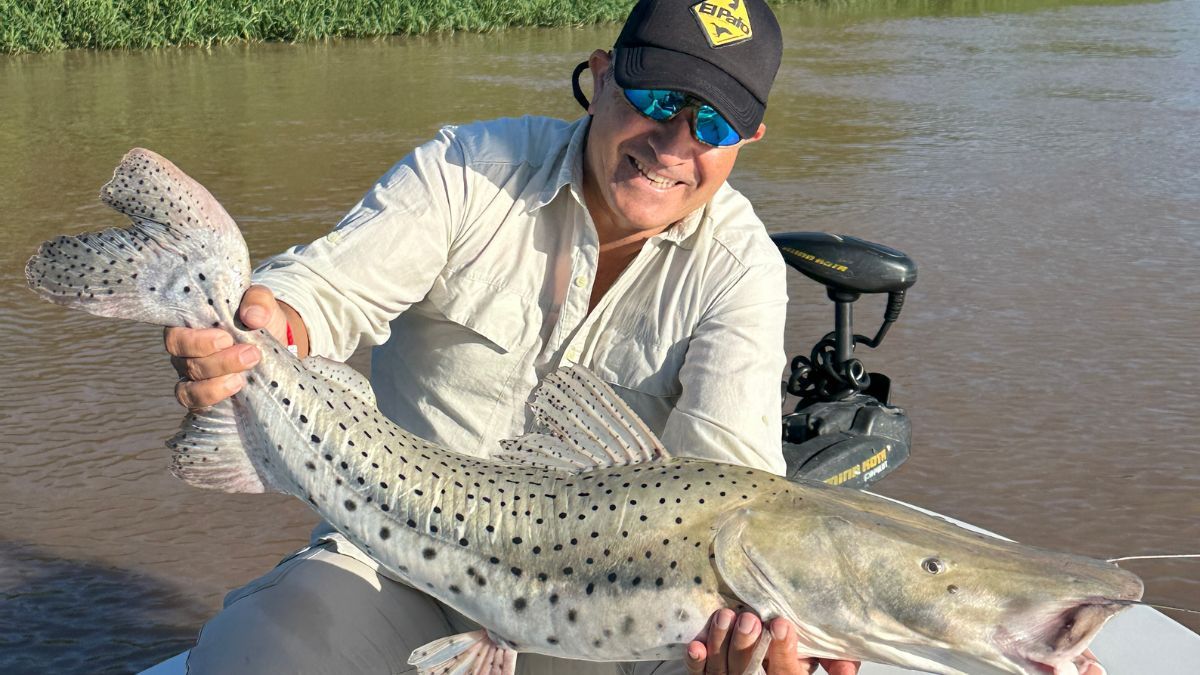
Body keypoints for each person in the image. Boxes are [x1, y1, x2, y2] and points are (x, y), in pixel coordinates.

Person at [167, 1, 862, 673]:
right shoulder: (469, 169)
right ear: (601, 77)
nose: (676, 142)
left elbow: (733, 492)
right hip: (399, 561)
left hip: (605, 609)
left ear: (748, 138)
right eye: (657, 98)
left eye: (714, 122)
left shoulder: (743, 273)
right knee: (256, 654)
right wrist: (261, 328)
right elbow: (322, 294)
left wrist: (751, 643)